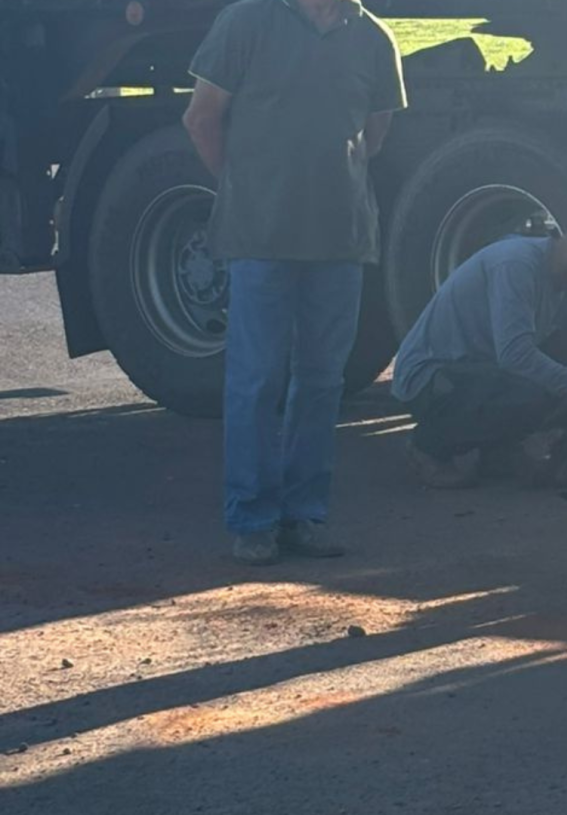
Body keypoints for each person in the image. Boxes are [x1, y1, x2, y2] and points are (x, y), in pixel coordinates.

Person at [182, 0, 406, 566]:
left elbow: (374, 134)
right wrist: (245, 187)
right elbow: (201, 117)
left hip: (340, 239)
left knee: (323, 381)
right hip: (260, 238)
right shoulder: (247, 21)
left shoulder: (373, 38)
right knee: (257, 380)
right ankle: (253, 519)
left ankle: (304, 515)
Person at [392, 232, 567, 488]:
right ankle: (428, 446)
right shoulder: (516, 264)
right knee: (531, 394)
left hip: (476, 369)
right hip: (430, 379)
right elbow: (516, 356)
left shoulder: (560, 277)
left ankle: (497, 452)